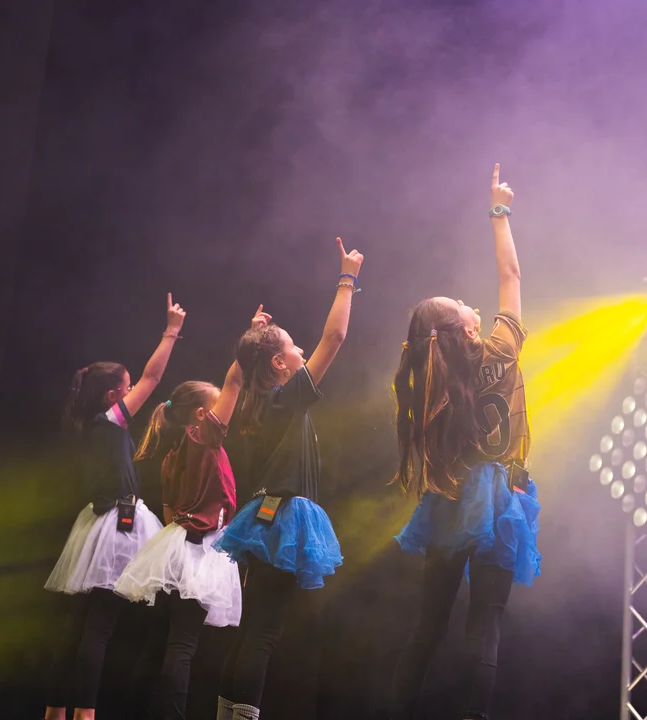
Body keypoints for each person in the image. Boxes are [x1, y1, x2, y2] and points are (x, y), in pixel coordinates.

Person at [390, 164, 541, 720]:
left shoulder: (432, 382)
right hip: (500, 496)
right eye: (460, 304)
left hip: (453, 496)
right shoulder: (501, 348)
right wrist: (499, 211)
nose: (468, 303)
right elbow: (512, 274)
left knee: (429, 624)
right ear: (466, 329)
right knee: (486, 621)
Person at [214, 240, 363, 720]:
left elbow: (236, 378)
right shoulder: (284, 399)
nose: (301, 351)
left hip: (261, 516)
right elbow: (334, 338)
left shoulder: (254, 404)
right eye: (293, 347)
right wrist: (347, 278)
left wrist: (252, 337)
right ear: (279, 365)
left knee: (253, 627)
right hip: (280, 517)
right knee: (263, 632)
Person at [115, 306, 267, 719]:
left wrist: (178, 552)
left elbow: (168, 513)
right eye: (218, 407)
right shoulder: (205, 440)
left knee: (164, 642)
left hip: (175, 547)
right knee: (182, 644)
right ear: (203, 415)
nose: (227, 411)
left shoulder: (172, 456)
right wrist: (251, 337)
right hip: (196, 550)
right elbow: (235, 381)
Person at [44, 293, 186, 720]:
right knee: (99, 629)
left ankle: (56, 711)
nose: (132, 392)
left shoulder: (85, 427)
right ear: (113, 396)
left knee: (79, 629)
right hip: (116, 526)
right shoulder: (109, 421)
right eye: (126, 389)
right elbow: (152, 377)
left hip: (95, 523)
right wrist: (171, 332)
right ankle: (85, 714)